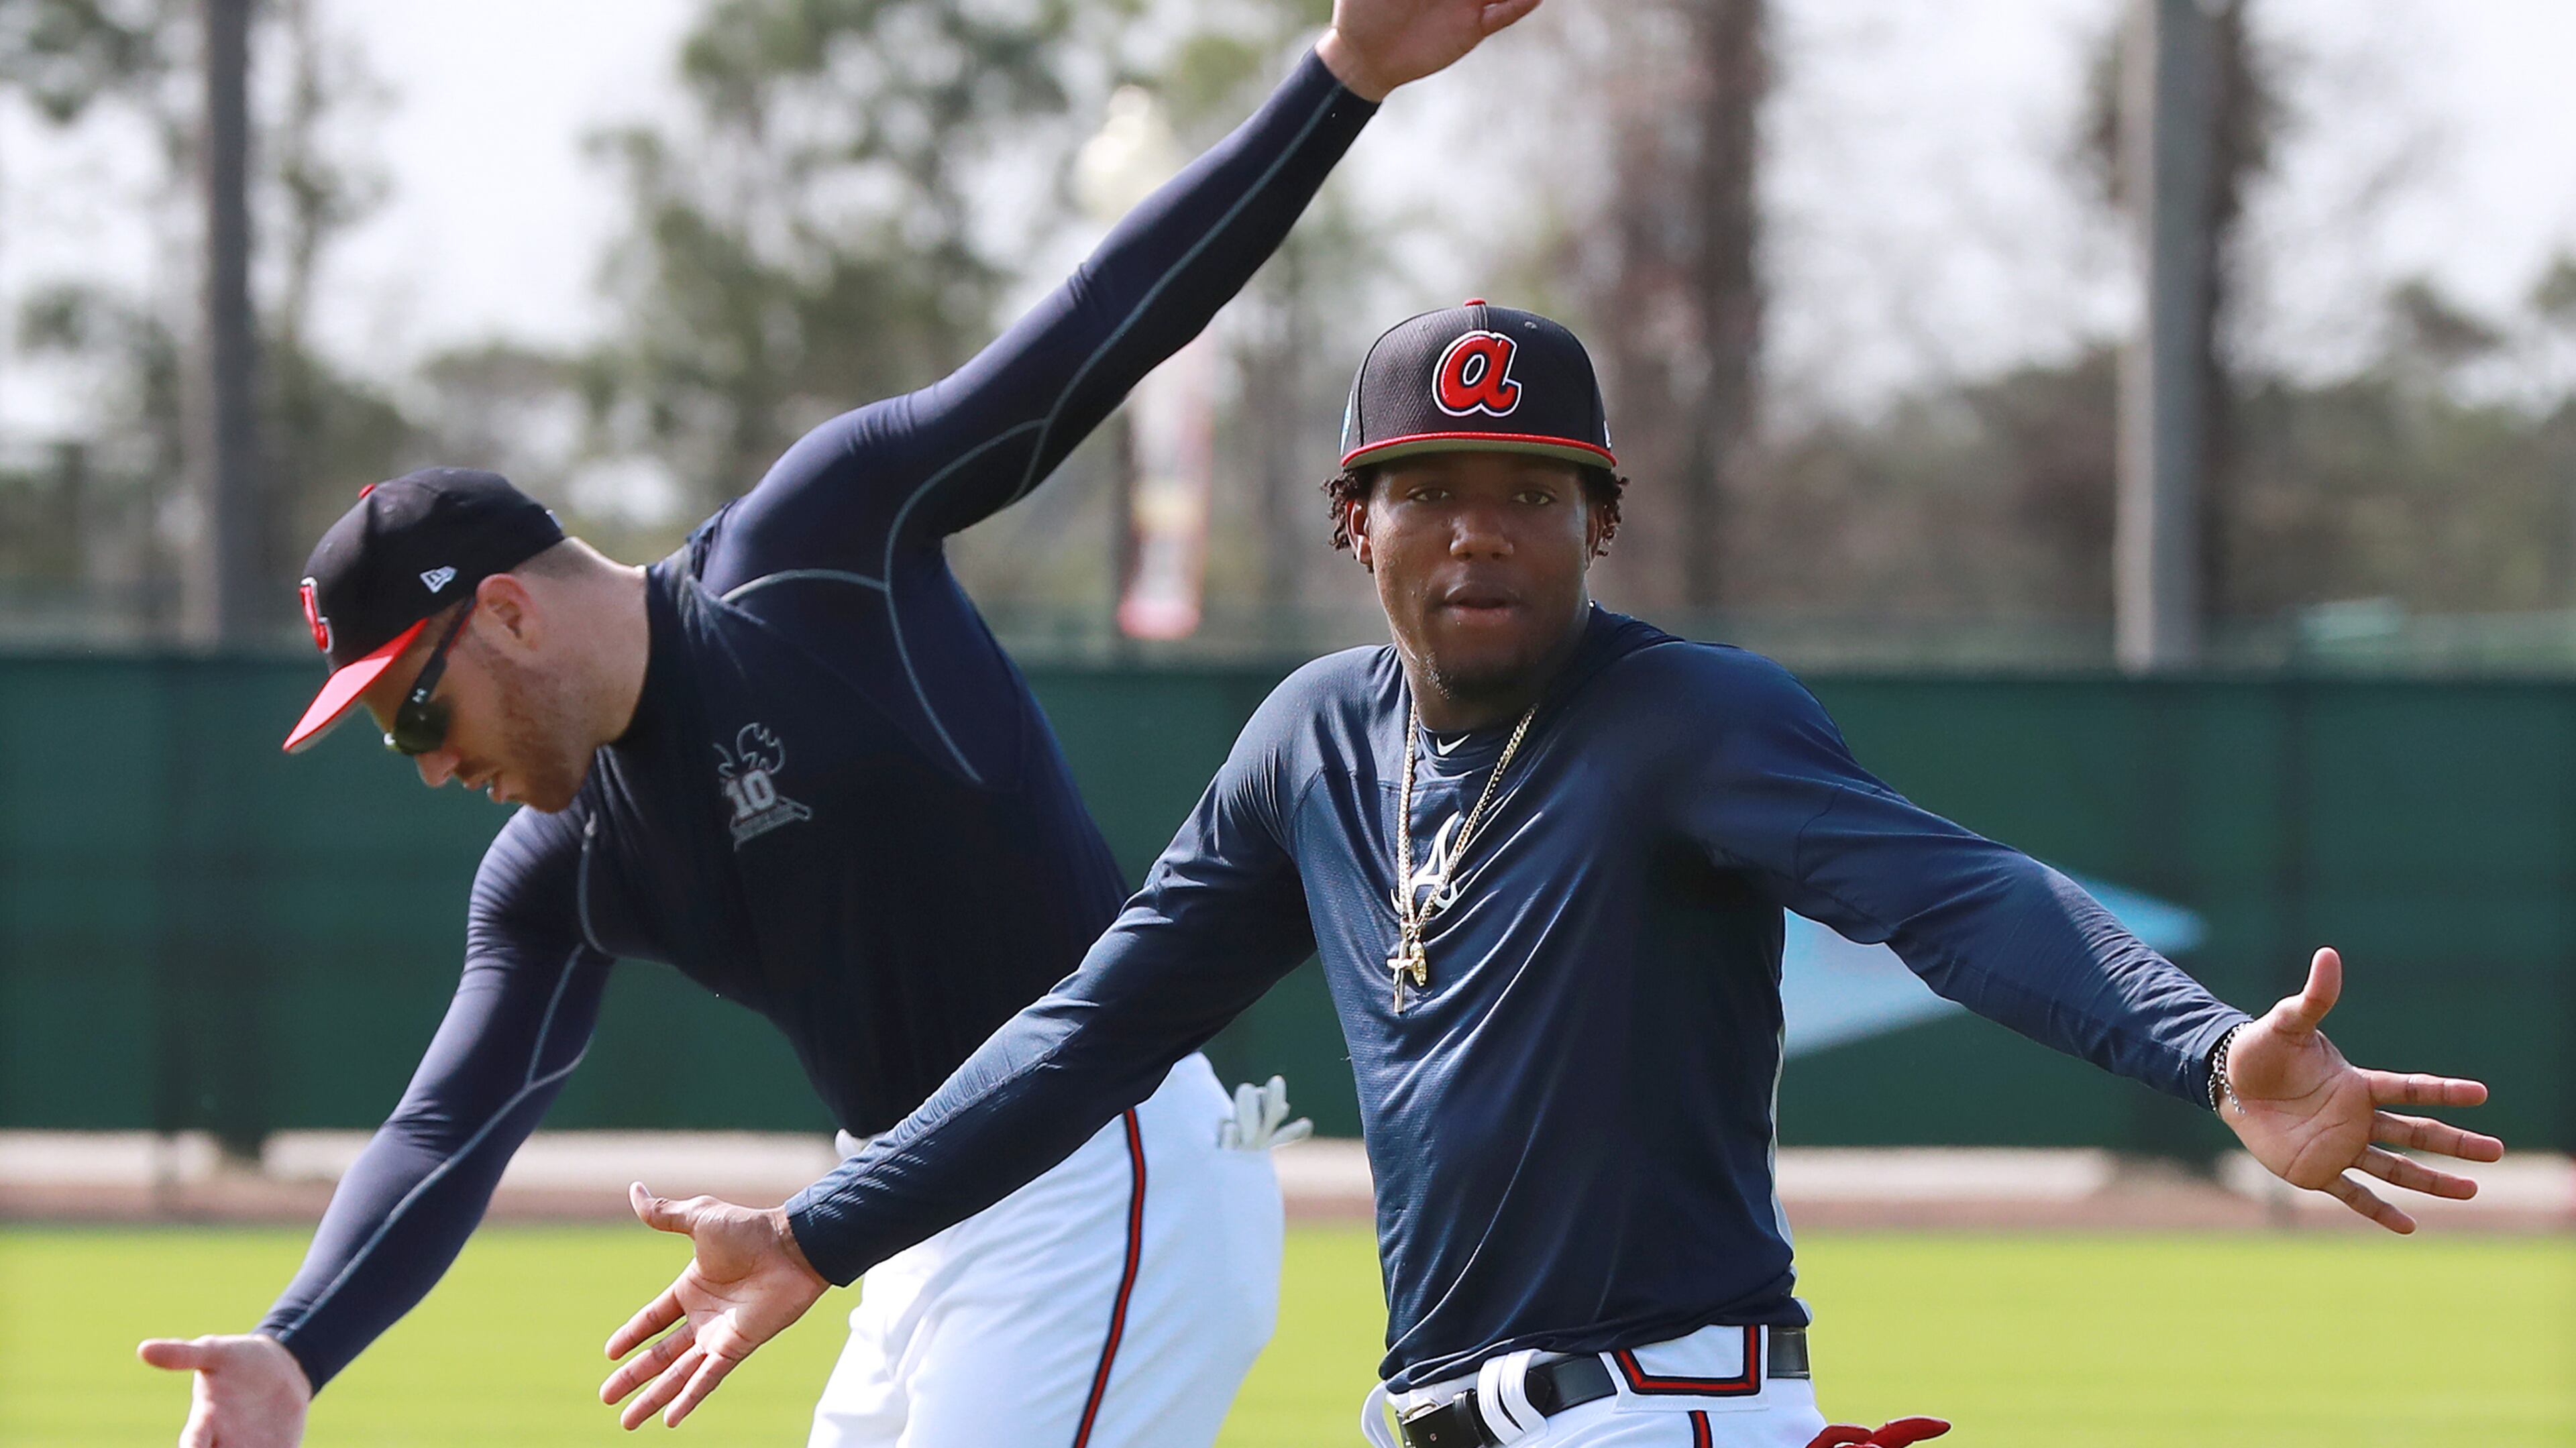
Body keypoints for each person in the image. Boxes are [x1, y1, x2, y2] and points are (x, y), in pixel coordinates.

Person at [596, 302, 2504, 1447]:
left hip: (1660, 1406)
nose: (1479, 530)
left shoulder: (1690, 720)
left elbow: (1957, 892)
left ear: (1604, 519)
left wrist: (2199, 1053)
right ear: (1357, 522)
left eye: (1532, 491)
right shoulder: (1311, 749)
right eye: (1430, 487)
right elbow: (1093, 1027)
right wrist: (822, 1231)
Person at [132, 8, 1549, 1445]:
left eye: (412, 707)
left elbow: (1098, 329)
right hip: (893, 1220)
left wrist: (1342, 81)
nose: (427, 759)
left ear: (505, 613)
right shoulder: (558, 865)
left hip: (1101, 1178)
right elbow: (447, 1129)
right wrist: (296, 1350)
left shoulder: (812, 551)